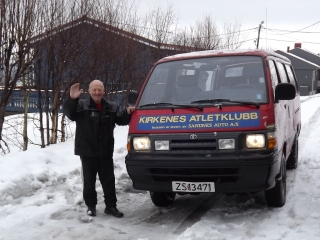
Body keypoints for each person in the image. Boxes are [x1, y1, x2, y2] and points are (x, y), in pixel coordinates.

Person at [63, 80, 135, 218]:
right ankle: (91, 206)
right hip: (87, 151)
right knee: (89, 181)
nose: (97, 92)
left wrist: (127, 112)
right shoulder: (81, 106)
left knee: (108, 180)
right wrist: (72, 99)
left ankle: (111, 206)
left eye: (99, 89)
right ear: (89, 91)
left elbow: (121, 120)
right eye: (94, 90)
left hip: (105, 151)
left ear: (103, 91)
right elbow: (70, 114)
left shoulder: (111, 106)